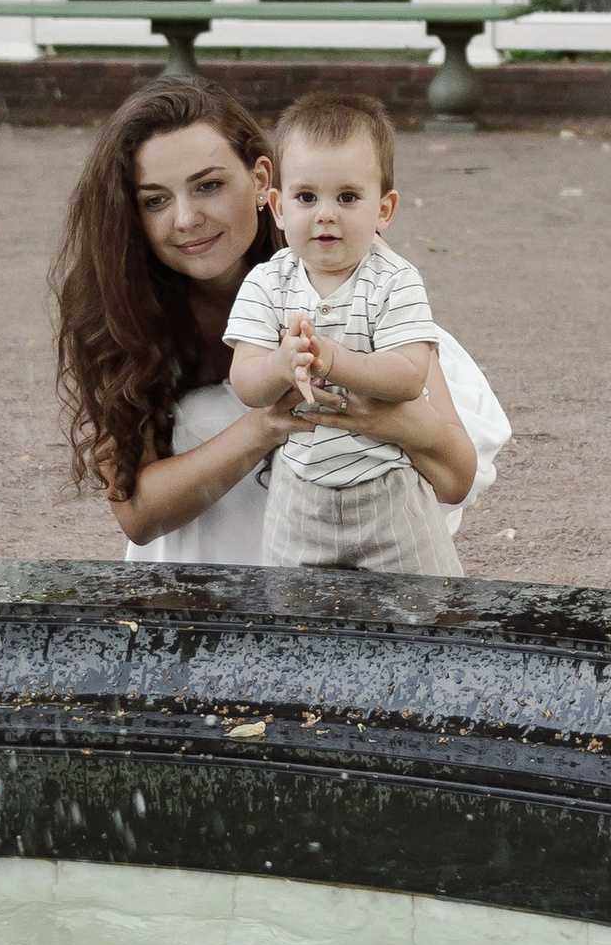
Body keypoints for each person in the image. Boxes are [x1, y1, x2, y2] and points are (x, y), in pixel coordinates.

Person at [52, 76, 507, 566]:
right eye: (155, 200)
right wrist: (266, 425)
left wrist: (391, 420)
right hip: (203, 579)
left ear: (263, 182)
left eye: (209, 186)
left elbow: (455, 475)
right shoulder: (118, 307)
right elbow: (138, 515)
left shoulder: (356, 273)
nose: (186, 219)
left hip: (364, 556)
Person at [224, 94, 460, 574]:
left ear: (384, 209)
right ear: (278, 207)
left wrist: (333, 360)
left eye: (348, 197)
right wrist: (278, 363)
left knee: (425, 613)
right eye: (307, 197)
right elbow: (246, 382)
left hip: (389, 490)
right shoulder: (267, 283)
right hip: (299, 493)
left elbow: (409, 376)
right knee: (293, 619)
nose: (326, 214)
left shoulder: (395, 279)